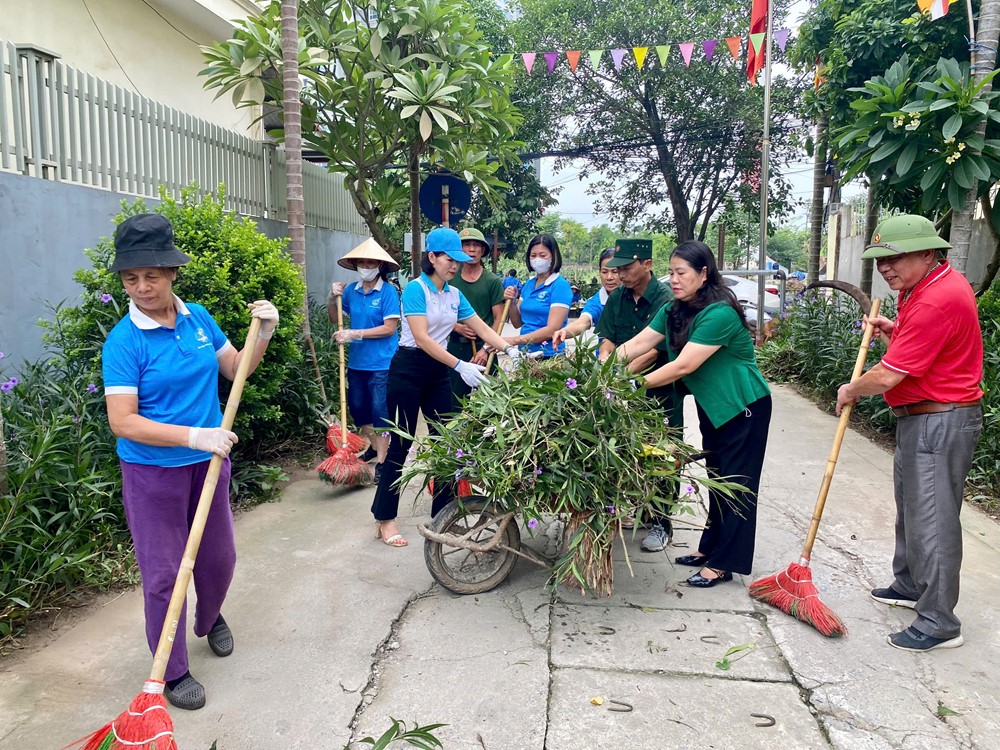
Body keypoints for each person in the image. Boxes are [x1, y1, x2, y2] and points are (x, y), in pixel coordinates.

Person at [101, 213, 279, 710]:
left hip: (207, 466)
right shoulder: (124, 341)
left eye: (151, 276)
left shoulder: (198, 317)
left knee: (219, 559)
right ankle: (173, 670)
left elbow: (235, 367)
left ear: (172, 272)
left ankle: (209, 617)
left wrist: (263, 331)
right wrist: (195, 436)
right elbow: (123, 421)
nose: (142, 287)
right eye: (131, 278)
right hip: (151, 474)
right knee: (163, 574)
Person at [836, 215, 983, 652]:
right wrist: (893, 332)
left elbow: (886, 376)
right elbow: (920, 352)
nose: (885, 267)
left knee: (932, 519)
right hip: (923, 417)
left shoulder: (938, 298)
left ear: (926, 252)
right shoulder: (924, 290)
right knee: (913, 509)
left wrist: (850, 390)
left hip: (939, 419)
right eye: (880, 260)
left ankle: (939, 622)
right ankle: (909, 584)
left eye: (894, 258)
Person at [613, 240, 771, 587]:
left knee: (737, 486)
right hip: (713, 408)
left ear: (703, 273)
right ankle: (709, 549)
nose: (674, 280)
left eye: (681, 273)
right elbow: (638, 344)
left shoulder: (720, 314)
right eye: (670, 273)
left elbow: (683, 365)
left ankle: (725, 563)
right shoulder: (674, 309)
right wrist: (598, 371)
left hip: (744, 407)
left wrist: (632, 386)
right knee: (717, 478)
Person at [372, 227, 521, 548]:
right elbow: (423, 338)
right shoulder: (415, 290)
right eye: (449, 259)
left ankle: (443, 515)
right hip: (408, 369)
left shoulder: (454, 294)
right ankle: (385, 518)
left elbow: (483, 327)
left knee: (447, 445)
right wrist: (460, 365)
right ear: (432, 258)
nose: (454, 265)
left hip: (439, 370)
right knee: (400, 445)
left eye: (458, 260)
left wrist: (510, 348)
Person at [594, 239, 680, 552]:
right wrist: (604, 365)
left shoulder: (666, 299)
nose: (621, 274)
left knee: (661, 453)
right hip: (618, 387)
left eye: (628, 268)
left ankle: (661, 521)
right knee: (622, 448)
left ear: (647, 264)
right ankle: (631, 508)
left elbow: (654, 351)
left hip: (657, 391)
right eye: (618, 268)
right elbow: (607, 340)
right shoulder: (617, 298)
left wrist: (620, 377)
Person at [327, 238, 401, 482]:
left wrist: (355, 333)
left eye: (371, 262)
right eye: (362, 262)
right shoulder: (351, 291)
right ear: (356, 265)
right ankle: (375, 445)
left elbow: (389, 328)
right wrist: (332, 297)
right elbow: (335, 317)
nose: (366, 266)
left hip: (382, 363)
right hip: (356, 363)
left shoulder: (388, 293)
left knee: (380, 412)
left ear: (380, 266)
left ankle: (382, 461)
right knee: (359, 410)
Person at [448, 226, 505, 398]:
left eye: (476, 245)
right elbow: (438, 314)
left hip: (484, 349)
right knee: (454, 402)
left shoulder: (492, 281)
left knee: (488, 402)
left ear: (482, 250)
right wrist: (457, 327)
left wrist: (486, 350)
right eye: (466, 245)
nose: (471, 249)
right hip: (455, 349)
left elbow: (498, 319)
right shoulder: (449, 279)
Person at [503, 234, 573, 357]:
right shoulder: (529, 284)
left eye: (542, 255)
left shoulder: (560, 286)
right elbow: (517, 323)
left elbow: (552, 329)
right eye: (533, 255)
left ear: (553, 256)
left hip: (549, 355)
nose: (537, 259)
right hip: (525, 353)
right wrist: (512, 302)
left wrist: (514, 340)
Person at [552, 247, 620, 348]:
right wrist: (565, 332)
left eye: (615, 271)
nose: (609, 277)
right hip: (604, 360)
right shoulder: (596, 302)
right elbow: (583, 322)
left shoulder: (636, 297)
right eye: (604, 272)